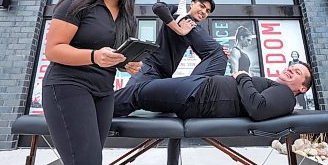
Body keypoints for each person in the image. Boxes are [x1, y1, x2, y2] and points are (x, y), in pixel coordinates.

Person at [42, 0, 141, 165]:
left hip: (103, 92)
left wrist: (125, 64)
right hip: (67, 86)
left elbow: (111, 56)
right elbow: (53, 50)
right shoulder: (77, 2)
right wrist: (95, 56)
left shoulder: (128, 17)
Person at [116, 0, 228, 165]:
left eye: (207, 11)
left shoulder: (191, 25)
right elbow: (157, 6)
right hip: (149, 69)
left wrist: (218, 51)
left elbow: (204, 49)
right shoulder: (178, 12)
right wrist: (178, 26)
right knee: (122, 102)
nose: (203, 12)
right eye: (201, 6)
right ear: (192, 3)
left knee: (176, 123)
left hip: (164, 77)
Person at [114, 62, 313, 122]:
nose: (290, 70)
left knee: (138, 93)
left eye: (297, 72)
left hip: (198, 95)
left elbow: (258, 108)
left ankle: (95, 107)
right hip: (200, 87)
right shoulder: (275, 87)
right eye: (291, 66)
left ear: (302, 88)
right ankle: (182, 23)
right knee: (145, 81)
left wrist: (242, 76)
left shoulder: (286, 95)